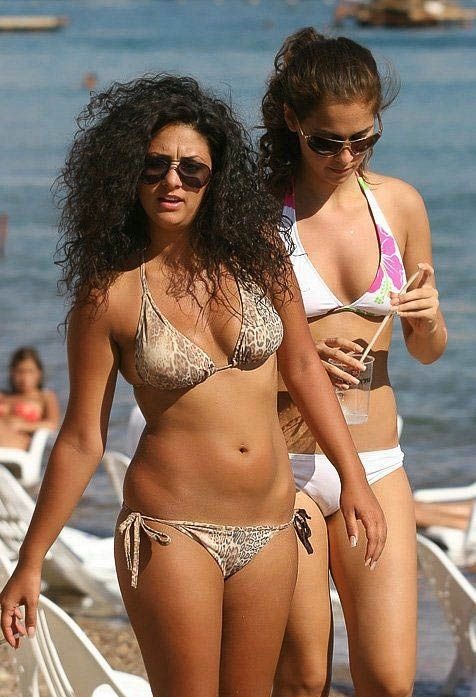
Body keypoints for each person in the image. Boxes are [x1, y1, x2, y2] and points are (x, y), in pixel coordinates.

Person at [0, 74, 386, 697]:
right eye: (154, 166)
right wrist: (31, 560)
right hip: (171, 529)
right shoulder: (109, 294)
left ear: (217, 179)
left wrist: (355, 478)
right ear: (128, 175)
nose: (172, 181)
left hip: (271, 526)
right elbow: (80, 438)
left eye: (191, 169)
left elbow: (303, 370)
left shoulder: (262, 259)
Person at [259, 28, 447, 697]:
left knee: (390, 681)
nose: (345, 156)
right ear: (292, 120)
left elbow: (426, 351)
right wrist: (294, 363)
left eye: (362, 139)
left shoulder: (399, 204)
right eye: (326, 141)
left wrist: (428, 318)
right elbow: (220, 355)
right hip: (286, 465)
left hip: (378, 459)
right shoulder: (261, 216)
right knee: (304, 678)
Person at [0, 347, 59, 450]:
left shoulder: (45, 397)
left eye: (30, 371)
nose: (24, 377)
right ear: (12, 373)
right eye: (19, 371)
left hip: (21, 442)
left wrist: (23, 426)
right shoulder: (3, 396)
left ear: (39, 373)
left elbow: (53, 424)